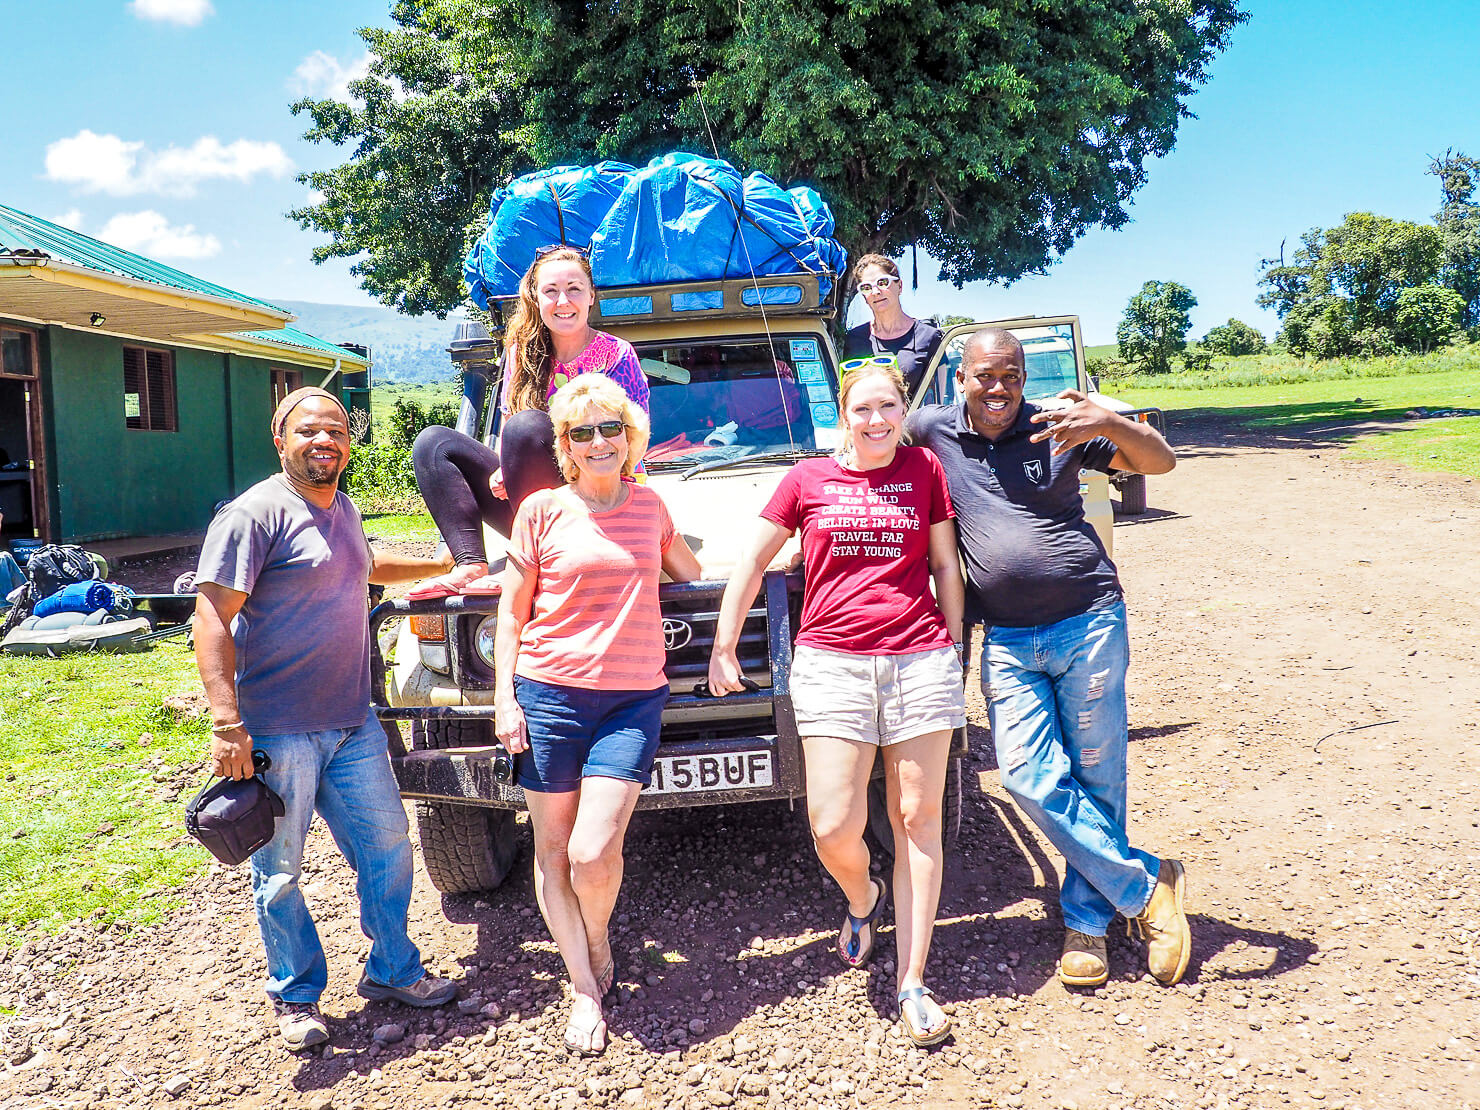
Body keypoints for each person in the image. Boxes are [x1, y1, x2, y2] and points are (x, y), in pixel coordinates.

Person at [905, 328, 1189, 989]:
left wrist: (1112, 419)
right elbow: (867, 441)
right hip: (1006, 638)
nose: (997, 387)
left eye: (1010, 375)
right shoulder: (932, 429)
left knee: (1098, 776)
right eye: (984, 375)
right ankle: (1148, 888)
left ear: (1024, 376)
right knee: (1028, 776)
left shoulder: (1061, 425)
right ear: (960, 377)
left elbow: (1162, 463)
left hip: (1087, 622)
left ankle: (1086, 923)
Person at [707, 355, 965, 1047]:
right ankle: (864, 897)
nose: (877, 421)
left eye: (887, 408)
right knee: (831, 825)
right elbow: (750, 561)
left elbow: (944, 565)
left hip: (919, 658)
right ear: (842, 416)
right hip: (833, 666)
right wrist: (724, 645)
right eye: (863, 409)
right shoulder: (807, 479)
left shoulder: (924, 472)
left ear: (902, 411)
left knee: (916, 817)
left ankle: (913, 981)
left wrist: (955, 646)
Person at [194, 387, 460, 1052]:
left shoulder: (341, 506)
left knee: (389, 847)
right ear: (279, 440)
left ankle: (394, 971)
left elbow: (366, 567)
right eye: (309, 431)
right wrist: (228, 724)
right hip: (278, 729)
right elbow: (211, 618)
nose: (325, 441)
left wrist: (452, 565)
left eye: (337, 431)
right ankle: (296, 996)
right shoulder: (255, 514)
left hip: (352, 721)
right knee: (279, 871)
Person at [493, 373, 701, 1056]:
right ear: (566, 445)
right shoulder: (542, 511)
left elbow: (689, 571)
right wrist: (504, 699)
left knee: (592, 850)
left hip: (631, 700)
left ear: (630, 436)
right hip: (548, 694)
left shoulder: (650, 505)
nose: (598, 440)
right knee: (553, 850)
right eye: (581, 432)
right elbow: (511, 611)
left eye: (610, 427)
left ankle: (598, 928)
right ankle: (583, 984)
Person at [410, 247, 651, 597]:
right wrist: (505, 467)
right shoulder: (521, 353)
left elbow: (632, 443)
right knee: (434, 444)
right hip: (535, 516)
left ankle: (535, 562)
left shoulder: (617, 354)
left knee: (528, 427)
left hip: (603, 504)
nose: (563, 300)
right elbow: (509, 430)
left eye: (574, 288)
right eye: (551, 291)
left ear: (591, 296)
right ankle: (470, 564)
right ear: (535, 298)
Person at [844, 254, 944, 396]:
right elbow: (849, 395)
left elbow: (942, 398)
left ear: (900, 286)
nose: (876, 292)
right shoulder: (854, 339)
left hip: (912, 418)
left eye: (883, 282)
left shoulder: (929, 337)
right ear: (863, 296)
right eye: (866, 287)